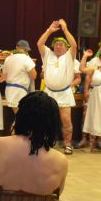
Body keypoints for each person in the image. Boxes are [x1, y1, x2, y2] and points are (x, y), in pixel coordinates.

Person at [36, 21, 81, 154]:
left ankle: (68, 145)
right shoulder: (47, 54)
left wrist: (65, 29)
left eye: (61, 44)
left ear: (66, 48)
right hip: (49, 93)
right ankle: (46, 142)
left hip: (64, 93)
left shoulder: (69, 56)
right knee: (45, 119)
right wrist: (49, 30)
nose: (58, 46)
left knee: (66, 121)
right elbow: (39, 44)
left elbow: (74, 45)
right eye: (56, 44)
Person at [1, 39, 38, 113]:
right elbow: (33, 76)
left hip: (9, 90)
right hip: (20, 91)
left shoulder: (8, 58)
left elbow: (4, 75)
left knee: (17, 113)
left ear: (16, 48)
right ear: (26, 49)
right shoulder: (26, 59)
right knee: (21, 114)